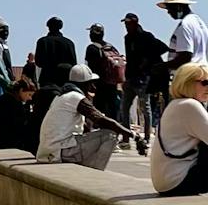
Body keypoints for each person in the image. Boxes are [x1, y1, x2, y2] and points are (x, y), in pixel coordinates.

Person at [36, 64, 131, 168]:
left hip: (49, 151)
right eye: (91, 84)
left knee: (94, 135)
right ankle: (94, 172)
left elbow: (86, 128)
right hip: (61, 150)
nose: (93, 87)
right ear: (84, 84)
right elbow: (103, 121)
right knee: (110, 135)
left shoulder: (61, 97)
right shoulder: (76, 97)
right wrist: (132, 135)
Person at [150, 60, 208, 195]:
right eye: (205, 83)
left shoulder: (175, 104)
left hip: (168, 182)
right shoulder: (190, 106)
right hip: (179, 182)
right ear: (187, 83)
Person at [122, 11, 168, 146]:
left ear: (135, 23)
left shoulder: (146, 36)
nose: (126, 26)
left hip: (143, 79)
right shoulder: (127, 38)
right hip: (130, 78)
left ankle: (147, 138)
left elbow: (163, 48)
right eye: (125, 24)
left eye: (128, 23)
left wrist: (147, 62)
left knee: (145, 108)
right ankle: (125, 138)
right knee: (125, 108)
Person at [85, 24, 125, 121]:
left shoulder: (92, 48)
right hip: (112, 83)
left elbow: (90, 68)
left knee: (99, 110)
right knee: (112, 108)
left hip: (99, 84)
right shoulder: (111, 47)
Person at [160, 0, 208, 72]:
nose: (168, 12)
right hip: (203, 72)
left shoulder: (185, 25)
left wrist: (162, 66)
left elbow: (185, 57)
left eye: (169, 8)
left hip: (189, 75)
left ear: (178, 7)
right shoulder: (199, 23)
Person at [0, 78, 37, 152]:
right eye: (29, 94)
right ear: (21, 90)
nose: (30, 98)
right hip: (6, 141)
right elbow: (19, 124)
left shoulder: (6, 98)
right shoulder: (12, 102)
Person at [35, 17, 79, 88]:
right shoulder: (69, 43)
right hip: (65, 81)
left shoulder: (42, 41)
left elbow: (38, 62)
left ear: (48, 27)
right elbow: (73, 64)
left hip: (47, 80)